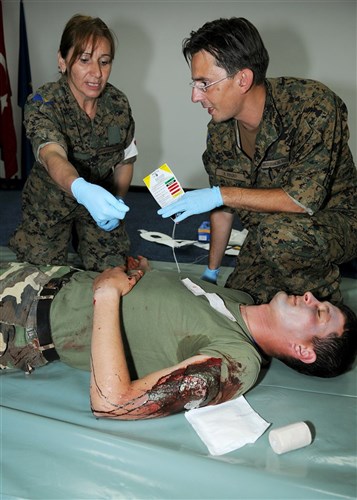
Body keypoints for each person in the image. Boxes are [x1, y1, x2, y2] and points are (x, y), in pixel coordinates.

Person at [1, 259, 356, 420]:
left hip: (19, 321)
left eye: (320, 313)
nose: (309, 296)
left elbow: (113, 403)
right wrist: (145, 275)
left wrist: (107, 294)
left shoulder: (237, 362)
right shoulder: (242, 302)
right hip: (41, 277)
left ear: (302, 351)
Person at [158, 17, 357, 305]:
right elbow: (223, 209)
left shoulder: (311, 106)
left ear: (243, 79)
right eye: (194, 83)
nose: (194, 96)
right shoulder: (220, 132)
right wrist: (211, 271)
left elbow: (303, 200)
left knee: (282, 240)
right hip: (268, 232)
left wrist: (219, 194)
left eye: (204, 83)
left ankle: (329, 317)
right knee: (238, 300)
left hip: (335, 220)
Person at [9, 14, 137, 272]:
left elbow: (126, 157)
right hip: (50, 202)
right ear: (62, 60)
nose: (96, 73)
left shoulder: (118, 104)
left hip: (99, 198)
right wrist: (81, 189)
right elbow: (51, 154)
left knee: (112, 272)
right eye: (84, 59)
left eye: (105, 62)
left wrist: (116, 202)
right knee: (38, 278)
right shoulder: (44, 102)